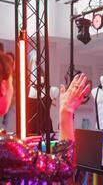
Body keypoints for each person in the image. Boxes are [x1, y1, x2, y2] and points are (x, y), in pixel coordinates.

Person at [0, 51, 90, 182]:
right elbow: (63, 168)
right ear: (3, 87)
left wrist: (15, 150)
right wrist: (67, 111)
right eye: (12, 81)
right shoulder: (4, 147)